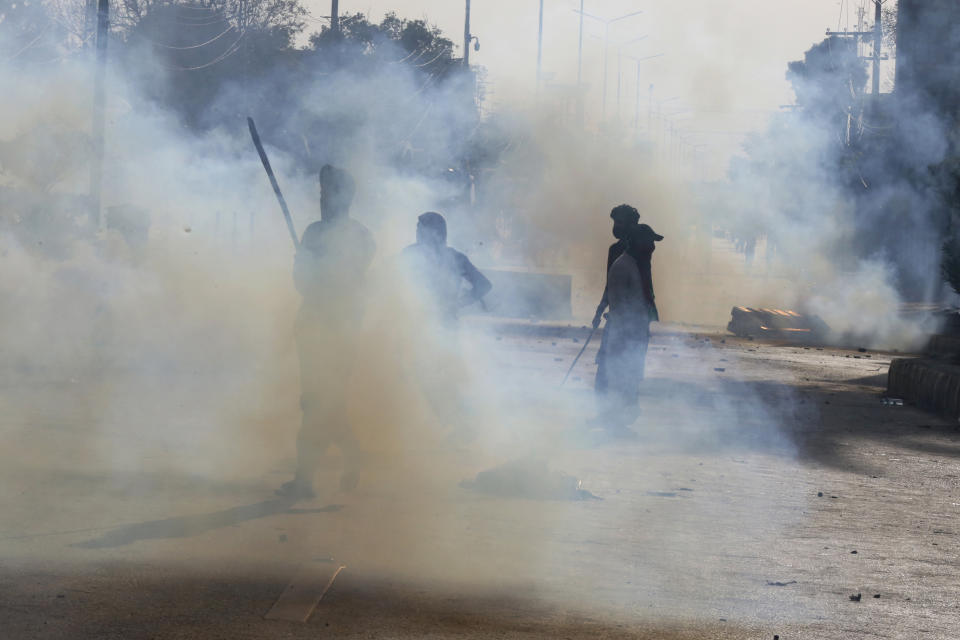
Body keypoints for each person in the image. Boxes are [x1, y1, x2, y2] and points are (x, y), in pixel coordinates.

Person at [277, 164, 376, 499]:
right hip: (313, 324)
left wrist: (314, 264)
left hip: (340, 325)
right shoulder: (314, 233)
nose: (323, 200)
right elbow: (302, 284)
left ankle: (348, 456)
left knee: (324, 400)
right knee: (313, 401)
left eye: (328, 193)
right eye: (321, 193)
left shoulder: (357, 236)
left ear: (343, 199)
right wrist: (304, 263)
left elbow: (348, 279)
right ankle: (306, 480)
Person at [596, 222, 663, 433]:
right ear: (637, 243)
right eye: (649, 243)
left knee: (629, 377)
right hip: (625, 334)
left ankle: (617, 422)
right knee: (621, 377)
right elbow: (620, 304)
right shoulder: (624, 266)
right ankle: (614, 423)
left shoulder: (635, 265)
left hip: (632, 334)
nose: (652, 247)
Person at [401, 212, 491, 325]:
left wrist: (458, 303)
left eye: (421, 229)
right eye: (417, 228)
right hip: (414, 323)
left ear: (436, 233)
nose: (417, 232)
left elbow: (483, 285)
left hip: (444, 324)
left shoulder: (456, 258)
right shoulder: (409, 254)